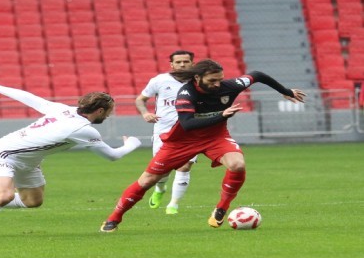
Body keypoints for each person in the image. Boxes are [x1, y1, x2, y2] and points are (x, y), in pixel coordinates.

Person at [100, 59, 306, 232]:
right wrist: (220, 115)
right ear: (198, 78)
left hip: (216, 137)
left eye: (220, 79)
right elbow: (188, 124)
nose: (217, 84)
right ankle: (114, 218)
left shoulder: (231, 86)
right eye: (212, 80)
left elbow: (258, 74)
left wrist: (285, 91)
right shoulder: (186, 94)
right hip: (182, 141)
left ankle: (221, 209)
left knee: (237, 165)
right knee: (148, 180)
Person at [0, 80, 142, 239]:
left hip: (30, 160)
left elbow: (27, 97)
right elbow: (112, 156)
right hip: (1, 153)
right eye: (109, 111)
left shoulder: (62, 109)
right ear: (100, 111)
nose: (109, 115)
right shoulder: (83, 130)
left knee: (32, 201)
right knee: (4, 196)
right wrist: (133, 143)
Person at [135, 50, 197, 215]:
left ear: (192, 63)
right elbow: (140, 99)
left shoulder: (199, 81)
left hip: (190, 131)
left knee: (185, 166)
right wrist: (145, 113)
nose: (182, 65)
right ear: (172, 65)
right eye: (178, 62)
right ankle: (160, 189)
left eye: (186, 61)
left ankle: (173, 204)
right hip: (164, 131)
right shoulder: (160, 80)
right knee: (162, 169)